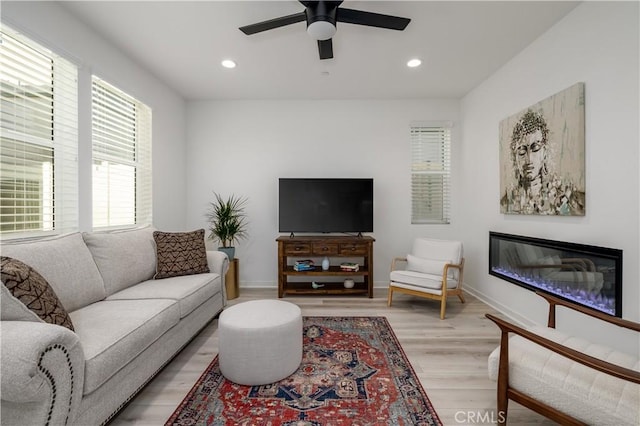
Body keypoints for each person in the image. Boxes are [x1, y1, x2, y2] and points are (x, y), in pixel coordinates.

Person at [501, 109, 584, 215]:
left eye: (535, 148)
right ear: (515, 157)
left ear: (544, 152)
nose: (529, 159)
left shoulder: (565, 196)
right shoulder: (506, 203)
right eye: (522, 151)